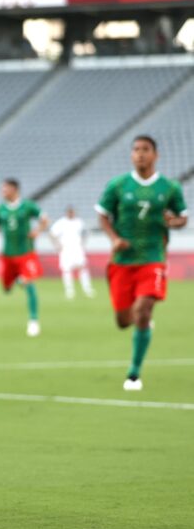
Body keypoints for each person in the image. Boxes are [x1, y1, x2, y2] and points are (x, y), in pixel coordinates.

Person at [96, 135, 187, 391]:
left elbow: (183, 217)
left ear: (155, 155)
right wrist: (113, 238)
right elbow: (102, 214)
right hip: (122, 261)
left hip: (153, 258)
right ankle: (140, 322)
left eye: (145, 150)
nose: (140, 154)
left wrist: (173, 221)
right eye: (136, 150)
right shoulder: (118, 185)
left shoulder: (169, 188)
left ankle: (134, 374)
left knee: (144, 309)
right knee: (123, 321)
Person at [0, 179, 48, 337]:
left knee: (29, 283)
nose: (3, 192)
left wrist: (38, 231)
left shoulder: (28, 206)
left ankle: (33, 322)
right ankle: (17, 279)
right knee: (6, 289)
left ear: (15, 189)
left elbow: (44, 219)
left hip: (26, 253)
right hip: (8, 255)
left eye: (6, 189)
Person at [49, 206, 94, 300]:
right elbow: (52, 234)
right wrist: (57, 246)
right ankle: (69, 291)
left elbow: (85, 234)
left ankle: (87, 289)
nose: (71, 214)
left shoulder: (79, 222)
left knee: (82, 268)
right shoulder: (61, 222)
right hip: (66, 249)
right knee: (66, 270)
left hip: (77, 248)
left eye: (72, 212)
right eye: (69, 212)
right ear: (67, 213)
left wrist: (83, 244)